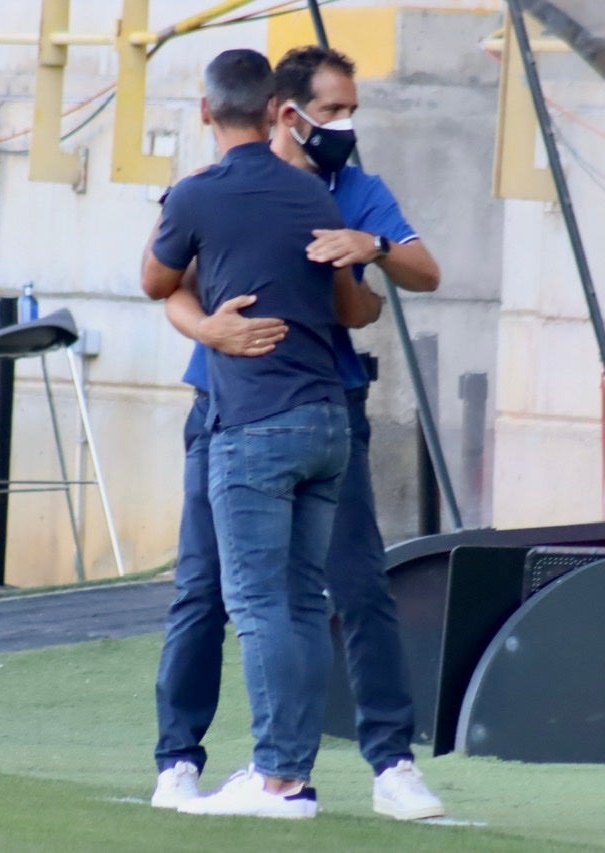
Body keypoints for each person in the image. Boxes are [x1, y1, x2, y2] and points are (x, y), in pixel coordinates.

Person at [151, 45, 445, 821]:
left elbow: (410, 279)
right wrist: (211, 332)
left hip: (313, 407)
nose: (346, 124)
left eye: (352, 110)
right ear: (285, 111)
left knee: (347, 589)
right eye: (335, 109)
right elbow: (172, 291)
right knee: (204, 589)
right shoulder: (214, 191)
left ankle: (379, 763)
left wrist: (368, 250)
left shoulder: (349, 190)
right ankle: (181, 756)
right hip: (224, 404)